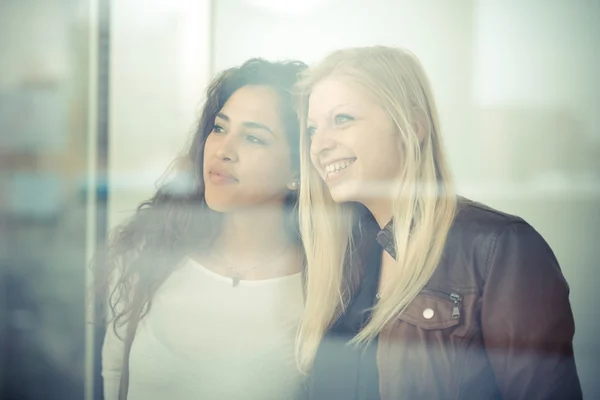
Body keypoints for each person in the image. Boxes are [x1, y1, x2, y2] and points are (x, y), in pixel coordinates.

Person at [294, 46, 582, 399]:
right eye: (312, 129)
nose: (319, 145)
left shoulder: (501, 249)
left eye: (342, 119)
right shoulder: (343, 255)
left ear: (412, 126)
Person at [96, 58, 308, 400]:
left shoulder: (323, 291)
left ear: (296, 172)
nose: (223, 150)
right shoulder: (151, 253)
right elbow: (115, 373)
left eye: (253, 138)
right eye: (220, 128)